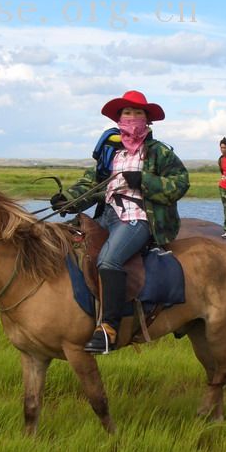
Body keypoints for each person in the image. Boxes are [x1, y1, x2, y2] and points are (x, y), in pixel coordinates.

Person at [51, 90, 190, 354]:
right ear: (119, 119)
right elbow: (90, 184)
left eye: (138, 113)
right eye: (127, 113)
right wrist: (66, 199)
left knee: (108, 259)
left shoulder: (159, 152)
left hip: (138, 217)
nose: (132, 118)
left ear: (147, 121)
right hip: (106, 215)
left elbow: (181, 184)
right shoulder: (110, 153)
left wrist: (144, 182)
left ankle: (108, 329)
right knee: (70, 248)